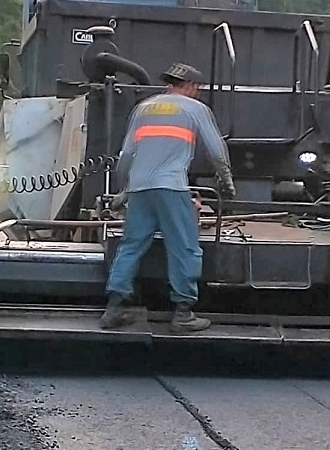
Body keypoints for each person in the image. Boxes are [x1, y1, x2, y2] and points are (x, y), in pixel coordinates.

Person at [99, 63, 232, 335]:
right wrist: (226, 179)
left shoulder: (144, 108)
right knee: (184, 246)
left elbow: (126, 155)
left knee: (131, 245)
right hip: (171, 187)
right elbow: (217, 151)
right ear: (193, 86)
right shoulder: (195, 109)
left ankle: (114, 307)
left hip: (140, 189)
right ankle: (183, 313)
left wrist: (124, 189)